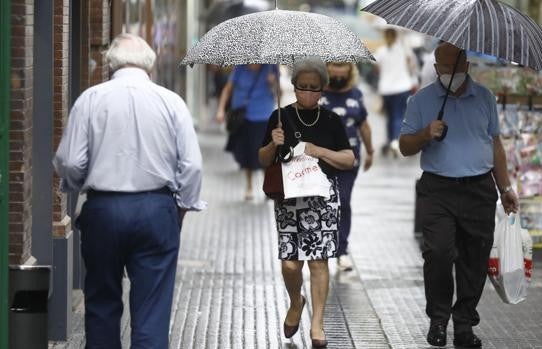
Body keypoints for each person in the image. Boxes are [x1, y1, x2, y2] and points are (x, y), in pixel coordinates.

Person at [53, 33, 205, 349]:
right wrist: (182, 208)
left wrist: (78, 186)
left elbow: (69, 160)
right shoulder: (171, 101)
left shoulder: (90, 99)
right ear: (149, 65)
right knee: (152, 310)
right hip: (156, 208)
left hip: (103, 209)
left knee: (101, 303)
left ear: (110, 63)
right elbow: (191, 166)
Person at [399, 42, 519, 348]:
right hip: (437, 189)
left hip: (479, 189)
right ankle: (438, 318)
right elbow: (404, 147)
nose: (450, 73)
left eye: (456, 66)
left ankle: (464, 323)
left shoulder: (484, 98)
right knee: (437, 253)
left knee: (474, 260)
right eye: (444, 67)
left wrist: (505, 188)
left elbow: (495, 145)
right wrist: (425, 134)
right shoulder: (421, 101)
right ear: (437, 68)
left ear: (467, 66)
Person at [258, 57, 354, 348]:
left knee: (319, 262)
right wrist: (273, 143)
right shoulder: (280, 117)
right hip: (290, 198)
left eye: (315, 88)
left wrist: (319, 150)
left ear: (323, 89)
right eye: (303, 87)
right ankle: (296, 301)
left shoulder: (332, 121)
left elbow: (349, 159)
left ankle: (317, 323)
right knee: (290, 264)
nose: (309, 92)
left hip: (323, 198)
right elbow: (262, 159)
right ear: (294, 86)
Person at [320, 61, 374, 271]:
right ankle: (323, 248)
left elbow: (364, 125)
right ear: (327, 68)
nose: (338, 70)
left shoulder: (356, 95)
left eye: (343, 66)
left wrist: (370, 151)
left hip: (349, 160)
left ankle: (341, 251)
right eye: (334, 65)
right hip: (321, 161)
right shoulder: (318, 93)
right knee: (323, 203)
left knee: (343, 200)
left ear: (350, 69)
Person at [216, 64, 279, 200]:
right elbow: (228, 89)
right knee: (247, 152)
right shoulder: (240, 68)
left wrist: (274, 83)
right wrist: (220, 109)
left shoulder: (271, 67)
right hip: (243, 116)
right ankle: (249, 186)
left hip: (264, 116)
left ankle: (267, 184)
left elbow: (280, 94)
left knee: (265, 151)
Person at [374, 27, 419, 158]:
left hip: (386, 89)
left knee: (389, 116)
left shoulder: (381, 51)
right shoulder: (404, 49)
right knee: (398, 115)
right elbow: (412, 66)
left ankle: (389, 141)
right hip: (402, 87)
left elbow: (376, 69)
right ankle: (394, 141)